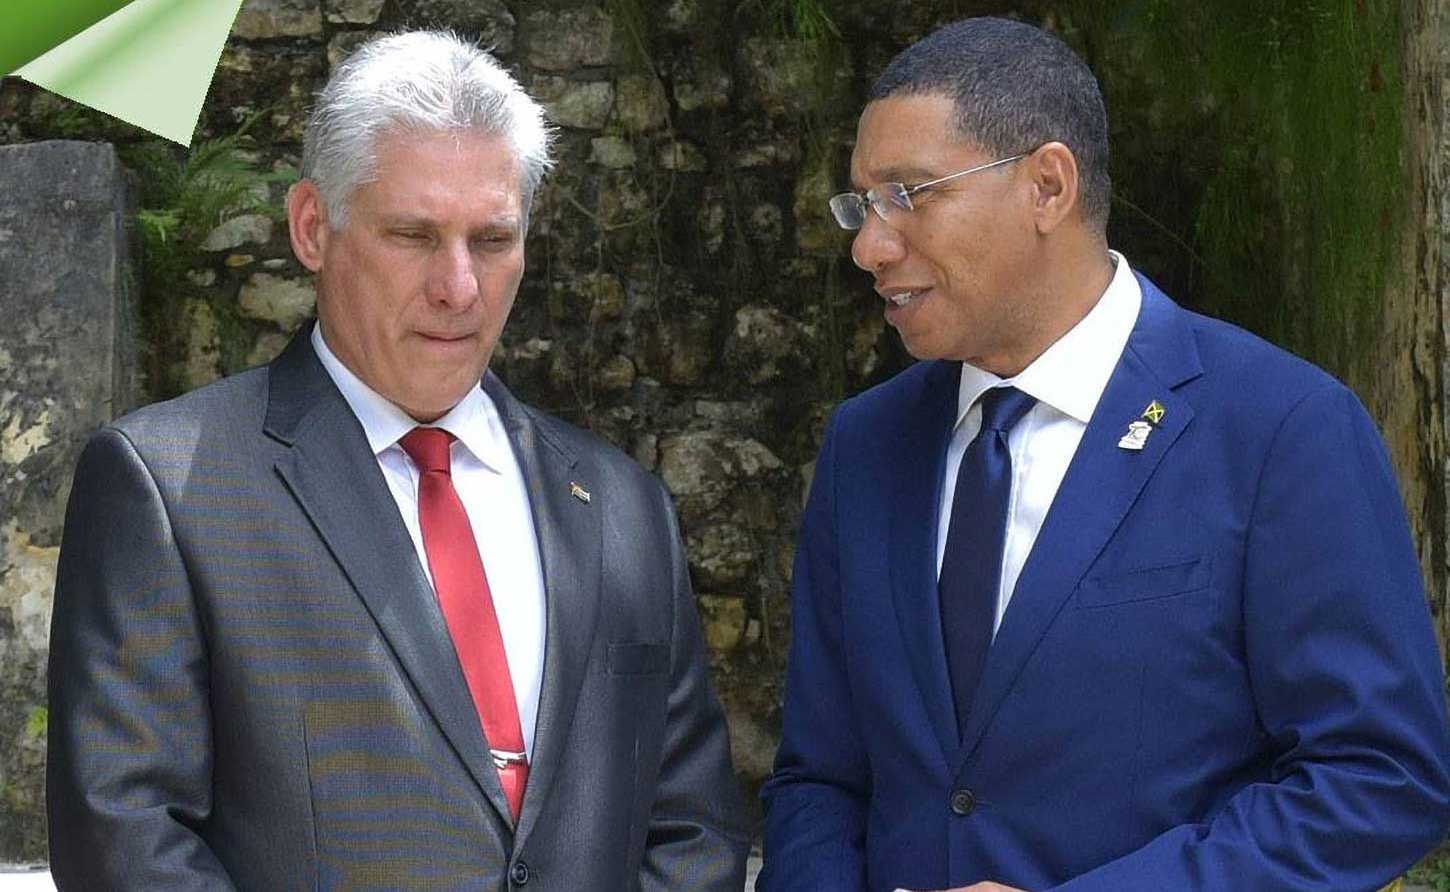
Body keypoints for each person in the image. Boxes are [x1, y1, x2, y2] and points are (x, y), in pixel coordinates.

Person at [758, 16, 1450, 892]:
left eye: (911, 193)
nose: (869, 245)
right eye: (862, 205)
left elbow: (1379, 780)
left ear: (1048, 186)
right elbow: (821, 776)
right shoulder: (867, 443)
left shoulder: (1280, 428)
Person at [47, 31, 748, 890]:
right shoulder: (170, 486)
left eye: (491, 241)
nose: (459, 288)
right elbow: (125, 843)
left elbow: (694, 830)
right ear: (312, 227)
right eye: (415, 236)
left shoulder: (622, 503)